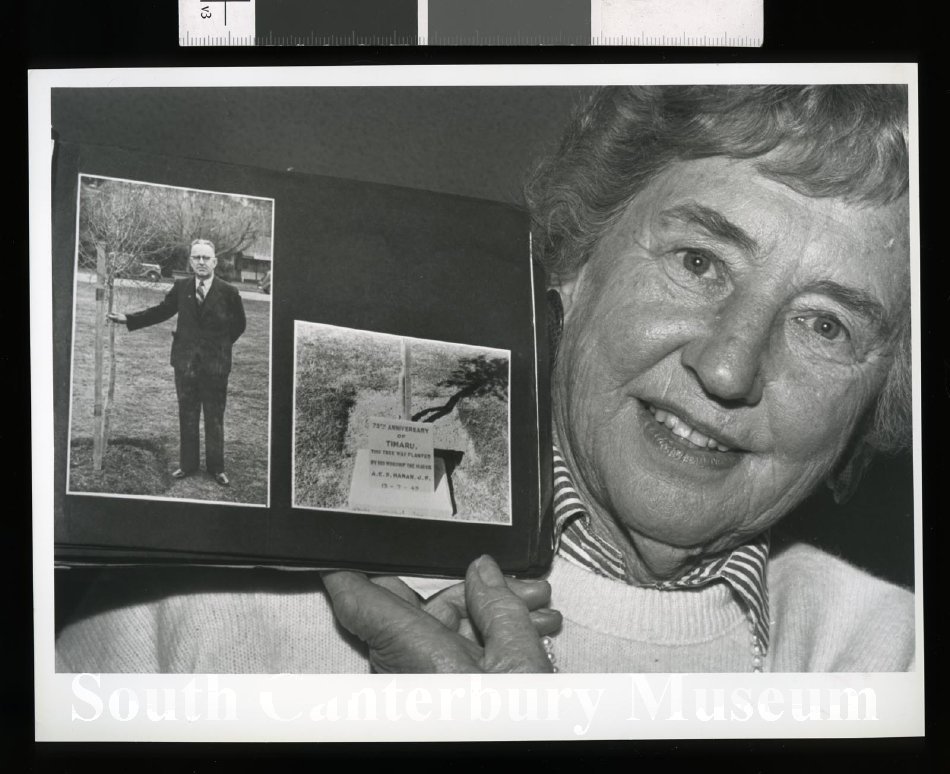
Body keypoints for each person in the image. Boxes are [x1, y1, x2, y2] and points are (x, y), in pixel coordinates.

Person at [59, 85, 914, 673]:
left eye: (826, 325)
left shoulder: (895, 657)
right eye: (700, 260)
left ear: (879, 400)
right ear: (576, 261)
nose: (729, 367)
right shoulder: (207, 599)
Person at [107, 238, 246, 486]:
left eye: (206, 258)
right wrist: (128, 319)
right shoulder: (181, 287)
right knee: (188, 415)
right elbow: (161, 311)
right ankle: (188, 465)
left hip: (216, 367)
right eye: (196, 257)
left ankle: (217, 468)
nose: (201, 262)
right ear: (190, 260)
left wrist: (219, 348)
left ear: (214, 261)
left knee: (214, 418)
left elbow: (239, 326)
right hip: (185, 365)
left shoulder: (229, 292)